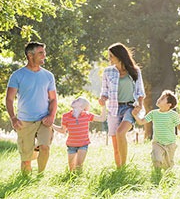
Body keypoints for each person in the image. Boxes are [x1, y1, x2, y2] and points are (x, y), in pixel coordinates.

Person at [6, 42, 57, 174]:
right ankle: (25, 183)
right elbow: (9, 99)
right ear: (30, 55)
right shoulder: (17, 75)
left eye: (44, 52)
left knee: (45, 148)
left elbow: (53, 99)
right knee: (26, 160)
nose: (44, 55)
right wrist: (13, 118)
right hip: (25, 121)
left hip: (43, 120)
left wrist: (51, 116)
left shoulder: (48, 76)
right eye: (40, 53)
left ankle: (40, 176)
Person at [99, 42, 145, 168]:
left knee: (120, 132)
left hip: (130, 107)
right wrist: (102, 99)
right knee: (115, 144)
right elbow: (105, 92)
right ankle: (119, 170)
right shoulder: (108, 72)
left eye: (111, 56)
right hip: (114, 109)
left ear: (119, 56)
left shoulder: (135, 71)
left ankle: (124, 166)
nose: (109, 59)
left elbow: (140, 92)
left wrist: (140, 105)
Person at [132, 90, 180, 172]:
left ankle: (167, 178)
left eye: (163, 98)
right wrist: (135, 115)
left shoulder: (173, 115)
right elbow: (141, 122)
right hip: (157, 143)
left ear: (169, 105)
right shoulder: (153, 113)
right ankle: (157, 174)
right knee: (156, 159)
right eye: (160, 97)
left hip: (170, 144)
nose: (159, 99)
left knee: (168, 166)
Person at [52, 97, 107, 172]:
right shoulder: (66, 116)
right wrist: (51, 125)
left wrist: (103, 106)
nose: (74, 100)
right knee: (71, 169)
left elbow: (102, 118)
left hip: (83, 144)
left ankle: (80, 180)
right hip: (71, 145)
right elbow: (62, 130)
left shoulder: (87, 115)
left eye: (78, 100)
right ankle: (72, 181)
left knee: (79, 166)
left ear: (82, 107)